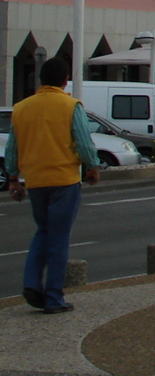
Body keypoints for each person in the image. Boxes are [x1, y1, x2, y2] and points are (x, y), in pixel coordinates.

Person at [4, 57, 100, 313]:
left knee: (43, 231)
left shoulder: (21, 108)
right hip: (64, 180)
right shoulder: (70, 106)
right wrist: (92, 167)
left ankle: (31, 283)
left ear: (40, 80)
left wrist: (13, 179)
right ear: (65, 81)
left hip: (35, 181)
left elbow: (12, 148)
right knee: (59, 238)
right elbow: (83, 142)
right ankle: (54, 297)